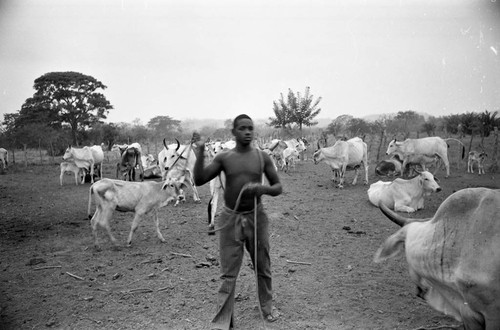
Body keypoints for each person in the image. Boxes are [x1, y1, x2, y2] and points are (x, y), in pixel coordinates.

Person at [193, 114, 283, 329]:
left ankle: (267, 306)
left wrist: (262, 189)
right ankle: (225, 319)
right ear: (233, 132)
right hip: (230, 217)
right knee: (228, 272)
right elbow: (199, 179)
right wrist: (201, 153)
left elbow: (278, 187)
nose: (247, 132)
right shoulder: (224, 157)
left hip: (256, 217)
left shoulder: (263, 157)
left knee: (263, 265)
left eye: (250, 128)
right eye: (242, 128)